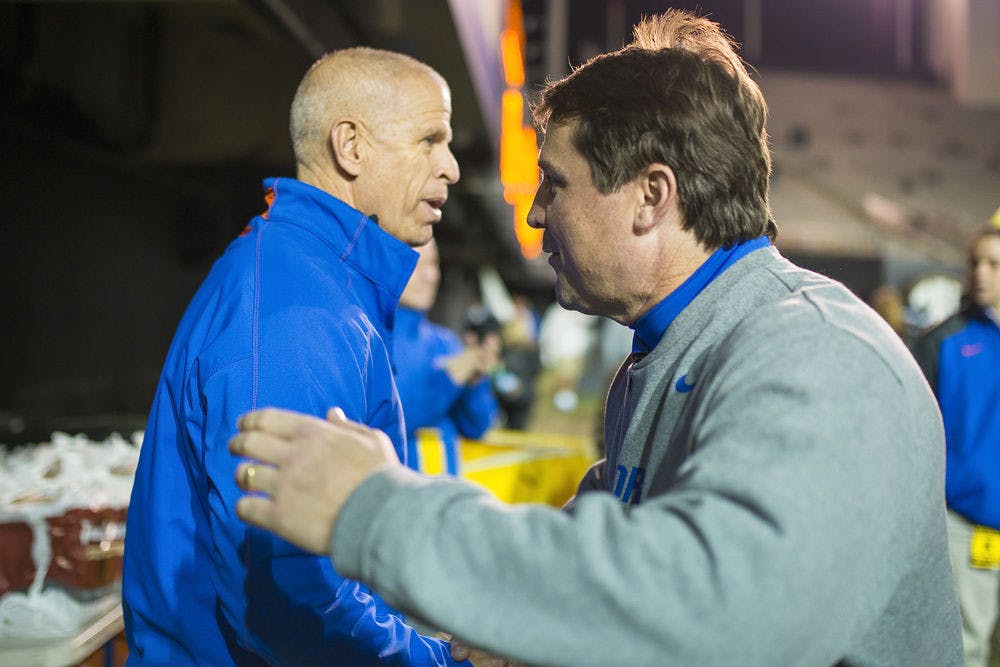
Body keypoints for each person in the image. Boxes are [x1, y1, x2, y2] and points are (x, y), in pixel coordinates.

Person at [226, 11, 963, 666]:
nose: (537, 215)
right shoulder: (665, 357)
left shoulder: (819, 356)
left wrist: (376, 509)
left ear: (651, 196)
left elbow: (714, 611)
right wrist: (513, 622)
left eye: (555, 183)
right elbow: (622, 528)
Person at [121, 47, 472, 664]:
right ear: (352, 147)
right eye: (429, 139)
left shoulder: (315, 282)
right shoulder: (299, 309)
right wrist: (434, 660)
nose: (451, 168)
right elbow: (285, 594)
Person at [912, 222, 1000, 667]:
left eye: (994, 264)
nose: (981, 273)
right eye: (975, 262)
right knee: (968, 650)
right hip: (966, 527)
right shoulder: (941, 342)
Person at [394, 238, 499, 475]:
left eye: (434, 264)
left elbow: (477, 427)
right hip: (392, 503)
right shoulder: (372, 341)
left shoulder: (446, 342)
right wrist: (449, 380)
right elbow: (380, 423)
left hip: (446, 503)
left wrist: (476, 382)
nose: (430, 276)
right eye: (417, 265)